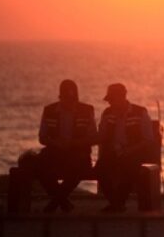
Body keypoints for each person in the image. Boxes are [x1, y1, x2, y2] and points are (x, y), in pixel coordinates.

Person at [36, 79, 96, 213]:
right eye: (66, 99)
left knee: (78, 169)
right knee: (39, 165)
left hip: (79, 153)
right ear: (60, 97)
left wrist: (74, 143)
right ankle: (63, 202)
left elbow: (93, 137)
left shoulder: (87, 110)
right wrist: (56, 143)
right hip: (56, 152)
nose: (69, 102)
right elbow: (42, 137)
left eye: (72, 99)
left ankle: (56, 202)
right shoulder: (49, 110)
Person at [95, 83, 154, 213]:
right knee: (99, 169)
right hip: (113, 152)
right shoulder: (108, 113)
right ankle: (116, 203)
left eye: (112, 99)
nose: (110, 103)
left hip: (134, 153)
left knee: (130, 168)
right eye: (109, 100)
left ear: (122, 97)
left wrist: (130, 150)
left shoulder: (140, 112)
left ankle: (117, 204)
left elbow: (148, 139)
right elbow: (101, 136)